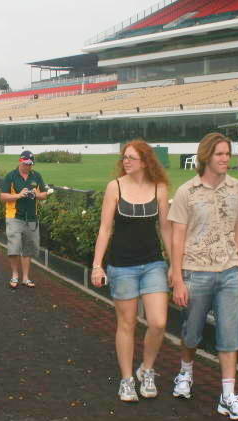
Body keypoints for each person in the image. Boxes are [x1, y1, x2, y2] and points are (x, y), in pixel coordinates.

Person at [168, 132, 238, 421]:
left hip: (229, 271)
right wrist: (178, 278)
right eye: (220, 154)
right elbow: (177, 237)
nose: (225, 159)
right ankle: (185, 372)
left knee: (230, 334)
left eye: (228, 153)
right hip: (196, 271)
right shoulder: (186, 193)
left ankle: (228, 396)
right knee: (192, 332)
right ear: (206, 157)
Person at [90, 140, 172, 403]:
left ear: (145, 162)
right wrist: (97, 265)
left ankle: (146, 369)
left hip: (153, 263)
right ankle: (126, 380)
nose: (126, 161)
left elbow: (165, 229)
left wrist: (175, 265)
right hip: (122, 265)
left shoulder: (159, 188)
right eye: (124, 157)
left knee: (158, 322)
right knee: (127, 324)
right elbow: (105, 228)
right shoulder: (114, 187)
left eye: (132, 158)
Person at [0, 150, 49, 289]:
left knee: (28, 249)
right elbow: (3, 197)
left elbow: (44, 194)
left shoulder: (36, 176)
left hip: (31, 217)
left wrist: (36, 194)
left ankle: (26, 278)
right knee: (14, 248)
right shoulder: (11, 176)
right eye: (26, 163)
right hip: (14, 216)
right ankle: (15, 275)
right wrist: (19, 195)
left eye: (30, 164)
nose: (28, 166)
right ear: (20, 161)